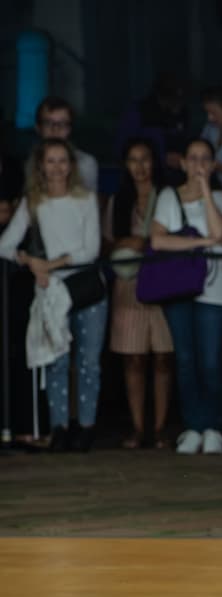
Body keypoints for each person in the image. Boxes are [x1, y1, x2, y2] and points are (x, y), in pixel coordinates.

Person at [0, 138, 108, 451]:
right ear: (41, 166)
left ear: (71, 165)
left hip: (86, 287)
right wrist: (29, 260)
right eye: (51, 161)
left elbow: (91, 250)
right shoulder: (34, 201)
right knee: (56, 361)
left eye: (63, 161)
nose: (57, 168)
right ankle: (59, 426)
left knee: (89, 362)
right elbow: (5, 245)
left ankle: (86, 425)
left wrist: (51, 263)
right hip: (53, 292)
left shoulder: (86, 198)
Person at [151, 138, 222, 455]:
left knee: (211, 360)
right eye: (193, 158)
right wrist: (199, 245)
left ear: (212, 165)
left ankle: (213, 426)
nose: (199, 164)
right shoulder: (168, 196)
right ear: (184, 163)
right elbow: (157, 241)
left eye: (205, 159)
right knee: (185, 359)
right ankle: (193, 425)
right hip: (179, 287)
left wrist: (204, 192)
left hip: (216, 290)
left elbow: (220, 233)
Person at [104, 138, 175, 449]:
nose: (140, 166)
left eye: (145, 158)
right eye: (133, 160)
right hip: (128, 285)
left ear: (153, 162)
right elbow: (105, 244)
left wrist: (144, 243)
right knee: (133, 358)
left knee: (163, 358)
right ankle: (137, 426)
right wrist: (126, 244)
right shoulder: (118, 201)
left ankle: (159, 428)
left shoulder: (167, 197)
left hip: (162, 283)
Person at [33, 97, 99, 196]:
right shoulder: (28, 163)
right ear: (38, 128)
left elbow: (90, 201)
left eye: (62, 124)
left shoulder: (85, 163)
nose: (55, 130)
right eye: (48, 123)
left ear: (70, 129)